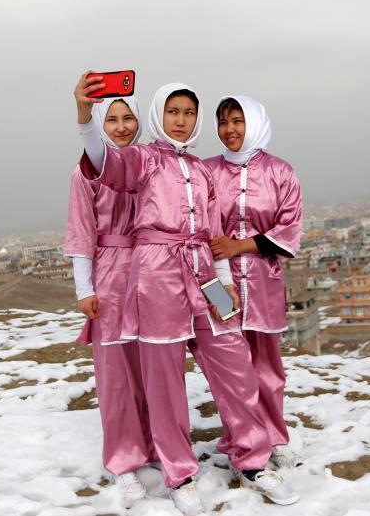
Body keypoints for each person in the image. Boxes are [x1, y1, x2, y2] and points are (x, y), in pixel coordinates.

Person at [74, 73, 299, 515]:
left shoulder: (201, 169)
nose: (181, 120)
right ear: (159, 116)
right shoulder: (142, 160)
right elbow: (103, 162)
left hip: (204, 272)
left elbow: (215, 232)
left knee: (234, 360)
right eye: (173, 112)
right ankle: (180, 472)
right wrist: (84, 117)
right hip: (156, 272)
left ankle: (253, 461)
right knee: (164, 377)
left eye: (189, 113)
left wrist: (226, 285)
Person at [63, 96, 154, 504]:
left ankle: (153, 446)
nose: (120, 126)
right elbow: (81, 232)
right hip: (111, 275)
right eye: (111, 119)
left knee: (153, 367)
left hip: (155, 272)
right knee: (116, 374)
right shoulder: (87, 171)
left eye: (128, 117)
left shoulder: (153, 163)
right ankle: (122, 459)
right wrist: (85, 289)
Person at [205, 95, 304, 469]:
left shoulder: (281, 172)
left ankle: (273, 435)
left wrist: (239, 245)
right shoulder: (207, 171)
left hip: (264, 281)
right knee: (229, 364)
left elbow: (289, 228)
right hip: (217, 280)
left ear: (255, 123)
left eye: (237, 121)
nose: (229, 130)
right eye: (223, 122)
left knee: (267, 366)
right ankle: (239, 436)